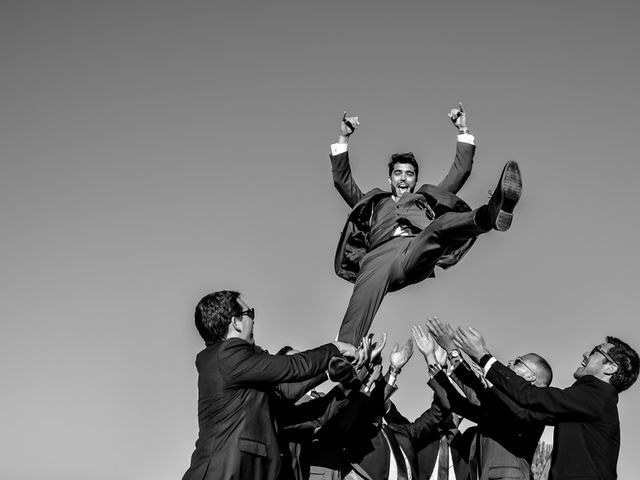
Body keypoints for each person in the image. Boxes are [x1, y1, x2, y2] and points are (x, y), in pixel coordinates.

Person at [330, 105, 523, 344]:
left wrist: (463, 129)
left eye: (409, 174)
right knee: (361, 298)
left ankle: (489, 214)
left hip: (415, 249)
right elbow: (342, 180)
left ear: (415, 179)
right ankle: (343, 353)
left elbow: (460, 171)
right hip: (378, 258)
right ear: (389, 178)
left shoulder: (427, 198)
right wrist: (344, 137)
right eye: (398, 173)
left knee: (438, 227)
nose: (403, 178)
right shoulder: (372, 202)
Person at [181, 290, 357, 480]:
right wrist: (335, 348)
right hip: (225, 472)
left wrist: (334, 369)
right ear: (235, 322)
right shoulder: (228, 354)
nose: (253, 321)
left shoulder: (228, 365)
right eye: (250, 314)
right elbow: (293, 366)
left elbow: (284, 391)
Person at [454, 326, 640, 480]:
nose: (585, 354)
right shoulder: (587, 401)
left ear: (610, 367)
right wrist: (455, 363)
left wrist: (484, 357)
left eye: (595, 351)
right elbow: (523, 410)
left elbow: (530, 396)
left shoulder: (598, 395)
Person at [425, 318, 553, 480]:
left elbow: (478, 396)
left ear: (530, 376)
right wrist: (431, 361)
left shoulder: (533, 406)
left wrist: (452, 350)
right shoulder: (499, 405)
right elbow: (457, 402)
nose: (510, 362)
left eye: (518, 361)